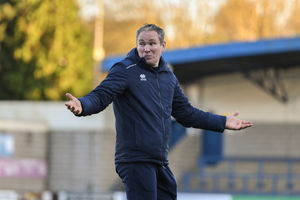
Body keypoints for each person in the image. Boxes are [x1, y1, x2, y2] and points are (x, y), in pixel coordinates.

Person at [65, 24, 253, 200]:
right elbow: (100, 96)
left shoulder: (168, 77)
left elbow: (186, 113)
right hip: (135, 160)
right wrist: (82, 105)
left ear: (162, 46)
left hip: (159, 161)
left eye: (152, 44)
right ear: (137, 45)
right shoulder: (125, 70)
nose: (146, 48)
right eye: (142, 44)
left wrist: (222, 122)